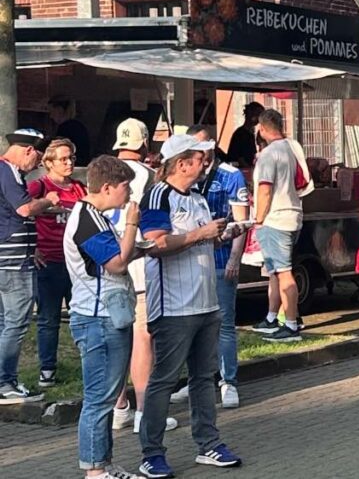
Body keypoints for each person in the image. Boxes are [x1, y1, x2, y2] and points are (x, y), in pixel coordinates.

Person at [137, 134, 241, 477]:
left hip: (205, 301)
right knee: (164, 379)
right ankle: (151, 452)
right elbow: (156, 244)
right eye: (200, 158)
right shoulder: (158, 195)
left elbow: (201, 236)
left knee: (203, 377)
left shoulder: (197, 197)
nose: (206, 163)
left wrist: (222, 233)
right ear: (181, 163)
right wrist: (202, 234)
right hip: (173, 305)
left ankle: (208, 443)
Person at [65, 156, 142, 479]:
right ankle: (94, 469)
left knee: (107, 395)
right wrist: (132, 224)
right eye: (125, 187)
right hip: (98, 318)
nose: (129, 194)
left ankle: (104, 462)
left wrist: (138, 245)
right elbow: (117, 264)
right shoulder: (87, 220)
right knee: (99, 398)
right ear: (107, 187)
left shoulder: (95, 216)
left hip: (108, 314)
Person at [107, 119, 178, 433]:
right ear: (145, 144)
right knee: (142, 339)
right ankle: (144, 412)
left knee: (114, 338)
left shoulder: (101, 173)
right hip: (139, 266)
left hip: (105, 265)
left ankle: (118, 405)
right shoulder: (150, 177)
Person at [175, 125, 249, 408]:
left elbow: (241, 221)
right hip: (193, 260)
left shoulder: (230, 176)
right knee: (193, 325)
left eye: (203, 149)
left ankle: (228, 380)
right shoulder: (188, 178)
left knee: (224, 323)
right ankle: (197, 379)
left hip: (220, 260)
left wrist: (234, 258)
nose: (199, 156)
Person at [0, 129, 59, 404]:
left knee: (5, 322)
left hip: (12, 255)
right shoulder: (8, 172)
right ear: (28, 150)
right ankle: (5, 382)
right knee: (17, 321)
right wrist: (50, 201)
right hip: (12, 262)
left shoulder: (9, 173)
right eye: (38, 157)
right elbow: (24, 210)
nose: (37, 164)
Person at [28, 138, 86, 389]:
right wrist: (33, 249)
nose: (69, 163)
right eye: (63, 158)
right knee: (48, 318)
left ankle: (88, 363)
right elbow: (21, 213)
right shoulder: (39, 186)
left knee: (83, 315)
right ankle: (47, 370)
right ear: (48, 163)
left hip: (75, 262)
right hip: (48, 261)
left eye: (71, 158)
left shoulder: (79, 188)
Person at [249, 110, 305, 342]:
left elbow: (264, 188)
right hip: (292, 214)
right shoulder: (290, 149)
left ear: (262, 128)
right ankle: (272, 317)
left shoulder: (269, 154)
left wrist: (258, 218)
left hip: (275, 218)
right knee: (274, 271)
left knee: (283, 272)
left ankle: (290, 324)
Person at [49, 96, 91, 166]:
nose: (51, 116)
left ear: (60, 110)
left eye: (51, 112)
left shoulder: (65, 128)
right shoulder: (79, 126)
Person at [225, 102, 263, 168]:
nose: (259, 119)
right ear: (250, 114)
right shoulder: (240, 134)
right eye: (258, 114)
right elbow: (239, 157)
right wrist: (249, 169)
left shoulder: (250, 134)